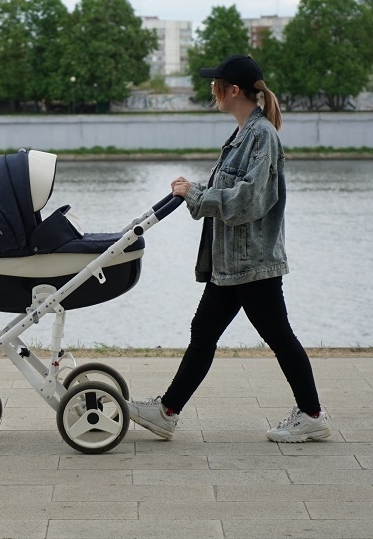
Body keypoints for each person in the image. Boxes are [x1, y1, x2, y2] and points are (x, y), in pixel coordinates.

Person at [127, 54, 329, 443]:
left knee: (277, 336)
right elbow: (232, 190)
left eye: (215, 84)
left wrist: (196, 195)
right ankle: (167, 411)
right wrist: (195, 190)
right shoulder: (243, 134)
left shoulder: (261, 136)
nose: (211, 89)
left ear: (233, 90)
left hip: (252, 262)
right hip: (233, 263)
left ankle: (312, 414)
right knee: (204, 330)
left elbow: (249, 199)